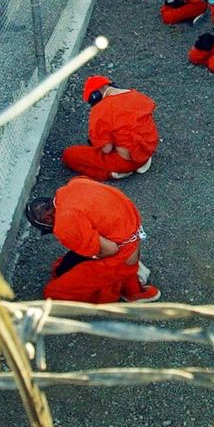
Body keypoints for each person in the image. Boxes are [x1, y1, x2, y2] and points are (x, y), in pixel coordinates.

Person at [25, 178, 160, 303]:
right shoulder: (75, 184)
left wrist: (92, 255)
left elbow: (110, 249)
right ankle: (129, 276)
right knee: (63, 266)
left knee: (53, 292)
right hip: (132, 236)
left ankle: (120, 285)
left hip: (121, 254)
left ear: (48, 220)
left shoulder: (64, 224)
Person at [61, 75, 159, 181]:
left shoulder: (102, 109)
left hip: (126, 161)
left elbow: (106, 149)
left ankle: (113, 173)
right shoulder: (138, 96)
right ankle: (142, 161)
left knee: (69, 155)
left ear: (95, 96)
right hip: (147, 150)